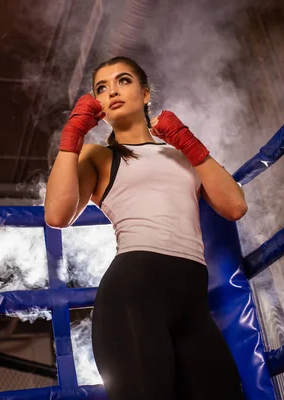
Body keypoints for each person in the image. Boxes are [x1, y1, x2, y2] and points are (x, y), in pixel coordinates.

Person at [44, 56, 247, 400]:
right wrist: (72, 136)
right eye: (101, 88)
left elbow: (235, 205)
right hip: (134, 293)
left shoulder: (180, 151)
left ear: (146, 93)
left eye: (123, 81)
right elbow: (57, 215)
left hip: (192, 301)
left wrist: (189, 143)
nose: (112, 92)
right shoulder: (99, 156)